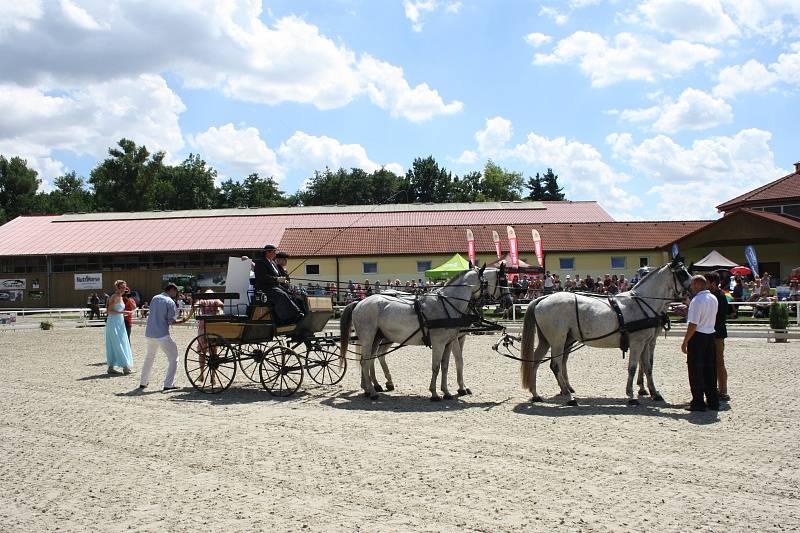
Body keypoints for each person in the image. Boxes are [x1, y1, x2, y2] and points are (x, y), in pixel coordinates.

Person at [139, 283, 190, 391]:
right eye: (176, 292)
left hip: (149, 333)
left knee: (149, 358)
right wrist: (183, 321)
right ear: (171, 290)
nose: (176, 294)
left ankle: (143, 382)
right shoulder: (170, 301)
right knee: (174, 358)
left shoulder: (155, 298)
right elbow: (170, 321)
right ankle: (168, 384)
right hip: (162, 334)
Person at [681, 275, 720, 412]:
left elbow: (693, 324)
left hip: (698, 337)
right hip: (710, 335)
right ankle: (713, 400)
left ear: (697, 285)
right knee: (710, 370)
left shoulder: (697, 300)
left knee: (696, 370)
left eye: (692, 285)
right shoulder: (713, 298)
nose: (691, 287)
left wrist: (685, 341)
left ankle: (698, 402)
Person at [253, 245, 303, 325]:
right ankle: (290, 316)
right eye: (273, 252)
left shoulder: (273, 263)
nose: (275, 254)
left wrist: (283, 280)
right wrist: (276, 279)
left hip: (275, 286)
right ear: (267, 252)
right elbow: (262, 277)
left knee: (292, 294)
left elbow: (279, 275)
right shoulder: (260, 262)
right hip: (265, 288)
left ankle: (296, 314)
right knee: (281, 295)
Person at [705, 272, 730, 402]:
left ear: (713, 283)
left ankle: (723, 391)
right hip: (711, 332)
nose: (704, 285)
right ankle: (714, 389)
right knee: (712, 363)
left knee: (719, 363)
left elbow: (719, 316)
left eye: (706, 282)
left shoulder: (719, 296)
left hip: (717, 333)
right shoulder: (712, 295)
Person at [105, 280, 134, 375]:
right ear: (117, 288)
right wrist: (124, 312)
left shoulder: (121, 297)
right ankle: (125, 367)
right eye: (121, 287)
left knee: (119, 342)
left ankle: (111, 367)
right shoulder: (115, 297)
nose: (123, 289)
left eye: (124, 287)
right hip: (114, 322)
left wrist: (124, 313)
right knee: (118, 343)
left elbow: (116, 310)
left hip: (119, 321)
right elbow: (109, 311)